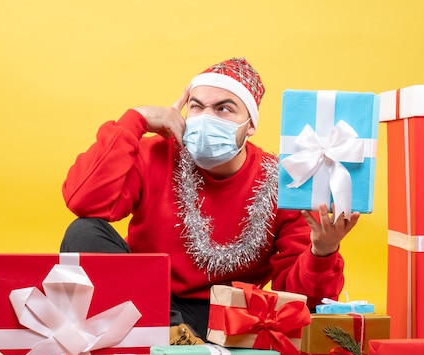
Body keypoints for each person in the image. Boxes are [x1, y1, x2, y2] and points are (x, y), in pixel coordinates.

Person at [60, 57, 360, 339]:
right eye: (197, 106)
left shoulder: (283, 180)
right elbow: (84, 201)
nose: (205, 118)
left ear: (250, 125)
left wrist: (322, 250)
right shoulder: (156, 154)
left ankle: (183, 351)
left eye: (223, 109)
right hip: (145, 302)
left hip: (227, 319)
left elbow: (300, 299)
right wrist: (136, 120)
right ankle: (172, 338)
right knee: (83, 232)